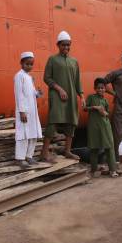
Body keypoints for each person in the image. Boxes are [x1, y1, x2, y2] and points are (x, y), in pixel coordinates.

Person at [41, 31, 85, 162]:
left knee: (71, 122)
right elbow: (46, 78)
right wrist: (59, 89)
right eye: (63, 45)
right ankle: (44, 153)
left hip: (71, 96)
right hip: (56, 95)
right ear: (58, 45)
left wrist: (81, 96)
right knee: (53, 122)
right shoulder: (52, 59)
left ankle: (67, 151)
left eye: (68, 45)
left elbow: (77, 81)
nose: (66, 47)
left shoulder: (74, 61)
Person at [14, 52, 43, 169]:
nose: (29, 66)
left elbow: (31, 93)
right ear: (21, 63)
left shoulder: (29, 77)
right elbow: (19, 94)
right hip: (24, 111)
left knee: (33, 134)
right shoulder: (19, 76)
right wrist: (22, 111)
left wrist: (38, 93)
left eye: (31, 64)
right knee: (23, 135)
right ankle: (20, 158)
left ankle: (29, 156)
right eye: (27, 64)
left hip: (32, 111)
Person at [85, 78, 117, 178]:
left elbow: (108, 113)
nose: (100, 90)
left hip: (105, 126)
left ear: (105, 89)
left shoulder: (105, 100)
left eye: (102, 88)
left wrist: (104, 113)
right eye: (98, 88)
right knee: (94, 148)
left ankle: (113, 170)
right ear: (95, 88)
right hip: (93, 126)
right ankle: (93, 170)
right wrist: (95, 107)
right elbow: (85, 108)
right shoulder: (91, 97)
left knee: (109, 147)